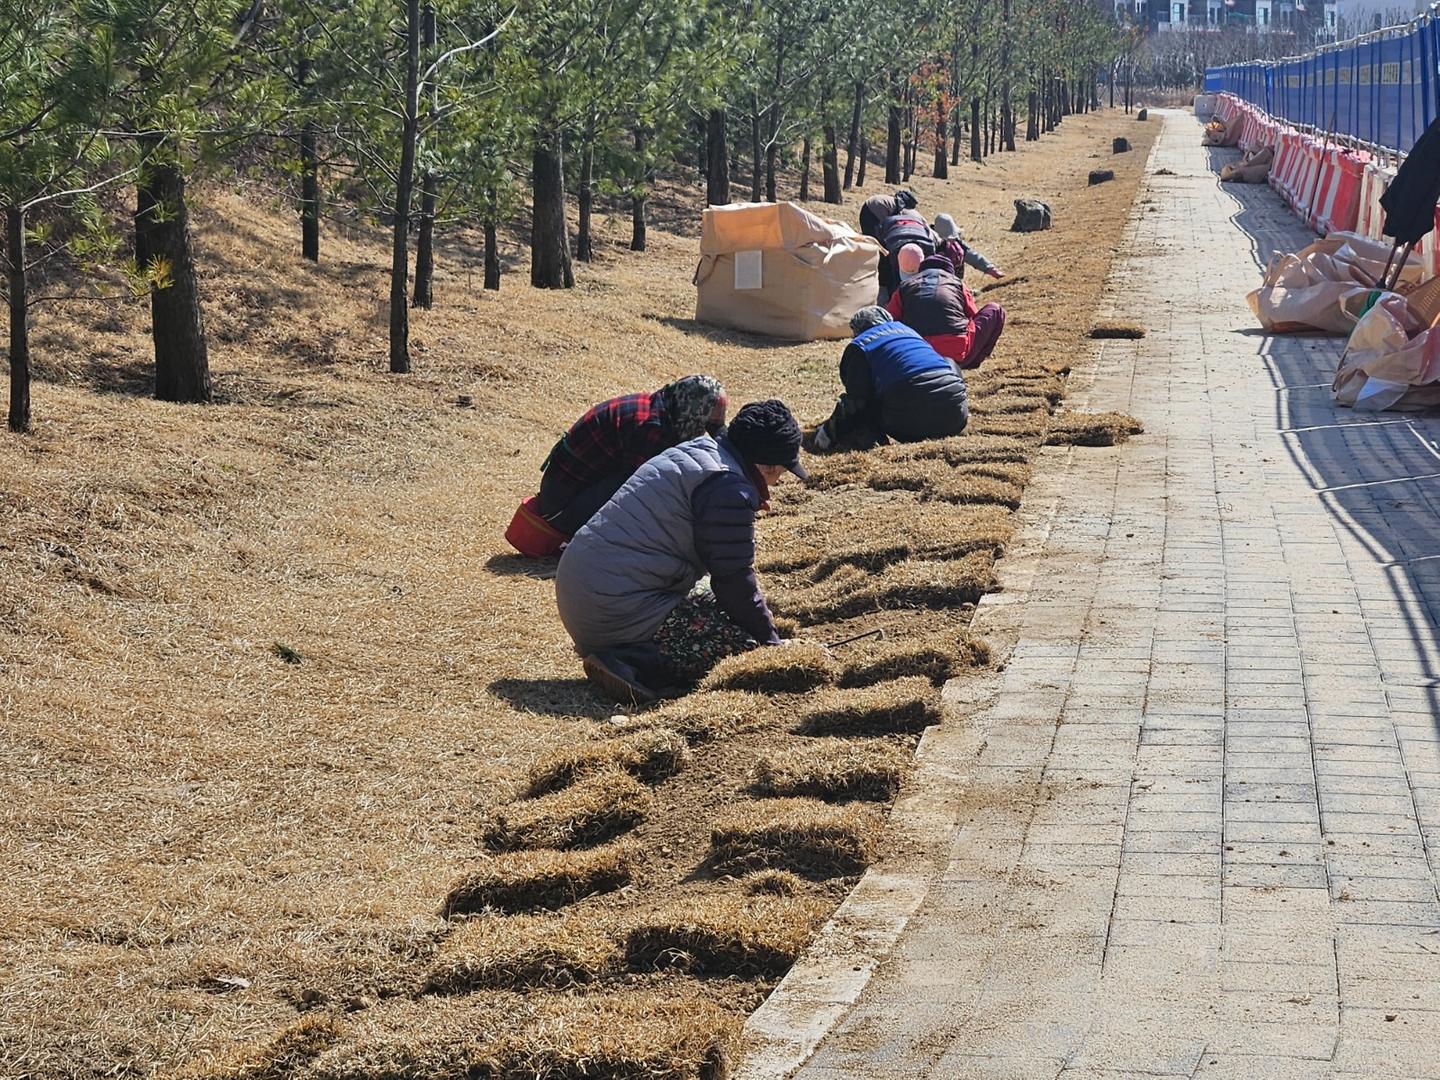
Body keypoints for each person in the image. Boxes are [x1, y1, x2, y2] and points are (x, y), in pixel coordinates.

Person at [554, 400, 808, 704]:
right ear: (769, 466)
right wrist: (769, 644)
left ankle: (628, 646)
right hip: (613, 607)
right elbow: (733, 578)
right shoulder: (727, 487)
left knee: (719, 607)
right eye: (782, 471)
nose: (779, 480)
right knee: (740, 648)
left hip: (589, 586)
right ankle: (632, 659)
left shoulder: (700, 452)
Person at [534, 375, 727, 538]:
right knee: (649, 493)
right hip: (561, 510)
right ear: (691, 412)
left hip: (565, 493)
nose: (703, 433)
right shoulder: (652, 428)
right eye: (706, 426)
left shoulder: (662, 406)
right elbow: (643, 496)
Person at [810, 307, 969, 452]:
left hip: (908, 425)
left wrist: (828, 432)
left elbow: (856, 400)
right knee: (947, 362)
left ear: (857, 330)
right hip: (956, 418)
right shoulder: (908, 331)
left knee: (867, 405)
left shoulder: (860, 344)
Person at [885, 250, 1007, 370]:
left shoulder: (905, 286)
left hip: (916, 352)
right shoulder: (957, 284)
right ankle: (971, 362)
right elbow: (973, 315)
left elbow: (889, 320)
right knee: (996, 309)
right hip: (956, 351)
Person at [932, 214, 1004, 281]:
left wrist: (989, 268)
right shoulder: (929, 245)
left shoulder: (957, 244)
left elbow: (971, 255)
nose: (951, 241)